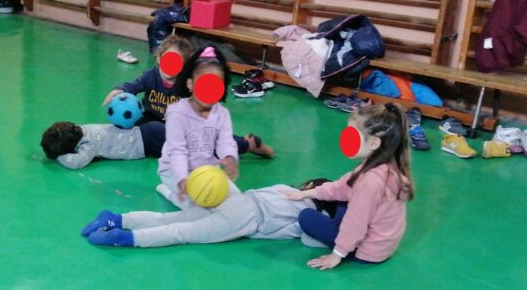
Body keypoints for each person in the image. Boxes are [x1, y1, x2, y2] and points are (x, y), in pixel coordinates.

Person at [283, 103, 413, 269]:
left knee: (306, 216)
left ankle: (334, 243)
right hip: (381, 244)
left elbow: (356, 223)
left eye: (352, 136)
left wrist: (337, 254)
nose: (345, 140)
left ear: (374, 143)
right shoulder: (385, 165)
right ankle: (334, 232)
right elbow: (342, 187)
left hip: (366, 251)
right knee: (328, 186)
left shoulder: (369, 181)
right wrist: (307, 193)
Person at [104, 34, 274, 158]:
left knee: (204, 143)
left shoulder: (186, 84)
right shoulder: (151, 75)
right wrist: (120, 90)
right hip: (152, 118)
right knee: (138, 128)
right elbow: (134, 85)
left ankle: (246, 144)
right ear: (159, 58)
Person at [81, 179, 337, 248]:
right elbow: (310, 240)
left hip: (236, 198)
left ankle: (117, 218)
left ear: (307, 185)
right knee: (181, 232)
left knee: (173, 217)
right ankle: (125, 238)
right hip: (247, 220)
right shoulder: (311, 213)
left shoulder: (285, 188)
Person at [157, 47, 240, 209]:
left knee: (237, 201)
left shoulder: (222, 113)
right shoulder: (177, 114)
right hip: (174, 171)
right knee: (200, 208)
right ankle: (167, 191)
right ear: (190, 84)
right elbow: (177, 151)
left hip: (207, 170)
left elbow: (225, 141)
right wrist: (182, 179)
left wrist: (230, 158)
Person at [40, 121, 165, 169]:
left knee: (175, 151)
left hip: (149, 142)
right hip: (147, 131)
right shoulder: (83, 129)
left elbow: (77, 162)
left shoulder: (88, 144)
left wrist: (59, 156)